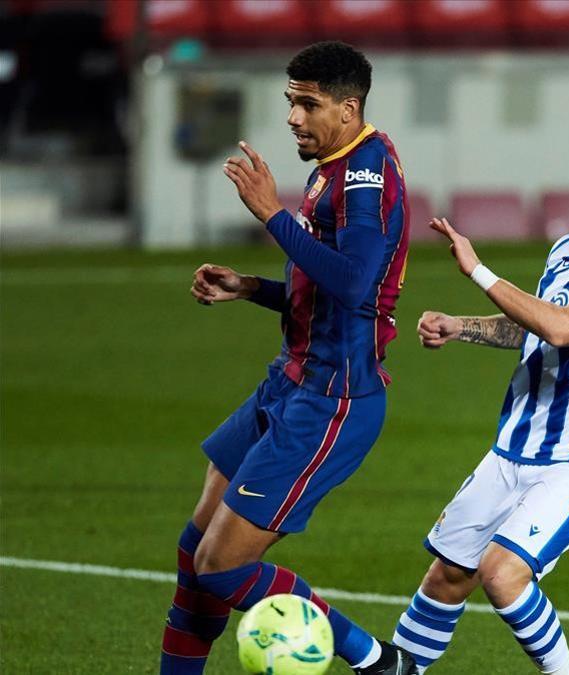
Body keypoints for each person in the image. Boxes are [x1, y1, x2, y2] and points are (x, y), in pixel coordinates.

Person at [161, 41, 411, 675]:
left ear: (350, 108)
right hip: (290, 382)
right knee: (197, 552)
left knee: (222, 565)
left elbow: (355, 284)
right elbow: (328, 294)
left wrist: (271, 211)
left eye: (308, 104)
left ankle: (375, 660)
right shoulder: (331, 163)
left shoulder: (366, 174)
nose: (294, 117)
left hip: (332, 401)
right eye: (290, 102)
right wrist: (251, 288)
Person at [387, 154, 569, 675]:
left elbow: (564, 328)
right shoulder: (568, 250)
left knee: (502, 575)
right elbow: (534, 325)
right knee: (446, 576)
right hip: (513, 445)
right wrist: (463, 326)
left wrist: (476, 270)